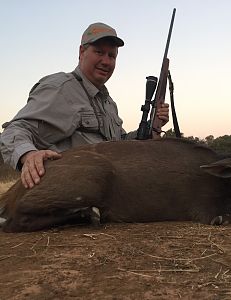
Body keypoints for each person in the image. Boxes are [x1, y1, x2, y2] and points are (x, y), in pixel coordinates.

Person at [0, 22, 169, 189]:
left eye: (112, 55)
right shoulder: (61, 88)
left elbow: (118, 143)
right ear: (81, 52)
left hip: (106, 192)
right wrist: (29, 155)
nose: (106, 61)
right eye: (99, 52)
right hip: (69, 192)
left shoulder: (108, 103)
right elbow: (14, 131)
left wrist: (151, 128)